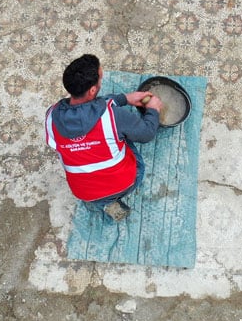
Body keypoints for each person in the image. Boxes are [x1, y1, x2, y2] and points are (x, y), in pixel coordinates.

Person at [45, 54, 162, 222]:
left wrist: (124, 99)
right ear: (93, 90)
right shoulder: (113, 117)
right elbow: (147, 133)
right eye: (101, 77)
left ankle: (105, 203)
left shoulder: (51, 116)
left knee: (110, 138)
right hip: (124, 184)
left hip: (84, 193)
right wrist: (153, 109)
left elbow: (87, 110)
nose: (102, 78)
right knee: (123, 137)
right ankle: (112, 198)